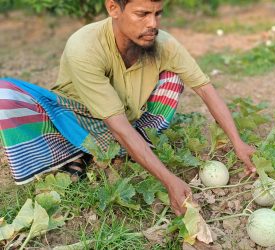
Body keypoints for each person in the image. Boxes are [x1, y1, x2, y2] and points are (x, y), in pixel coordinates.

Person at [0, 0, 256, 216]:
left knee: (173, 77)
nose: (152, 24)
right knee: (6, 95)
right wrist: (169, 181)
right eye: (142, 14)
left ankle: (101, 154)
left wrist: (238, 142)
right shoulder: (84, 46)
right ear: (113, 8)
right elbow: (117, 125)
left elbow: (205, 89)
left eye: (157, 14)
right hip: (75, 121)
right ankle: (87, 152)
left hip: (127, 123)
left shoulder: (163, 44)